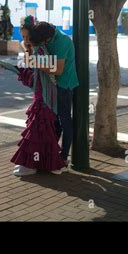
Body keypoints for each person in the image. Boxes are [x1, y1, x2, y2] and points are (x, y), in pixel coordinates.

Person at [10, 16, 66, 176]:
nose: (25, 40)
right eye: (23, 37)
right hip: (42, 95)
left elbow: (37, 77)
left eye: (28, 37)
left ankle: (35, 165)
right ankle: (46, 164)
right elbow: (35, 75)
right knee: (42, 131)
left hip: (44, 96)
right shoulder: (37, 50)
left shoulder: (39, 51)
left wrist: (21, 69)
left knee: (39, 129)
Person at [29, 22, 79, 168]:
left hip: (65, 85)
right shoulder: (48, 38)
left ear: (46, 38)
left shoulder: (62, 41)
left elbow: (58, 70)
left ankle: (63, 156)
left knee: (64, 120)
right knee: (54, 120)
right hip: (53, 86)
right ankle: (52, 152)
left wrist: (37, 64)